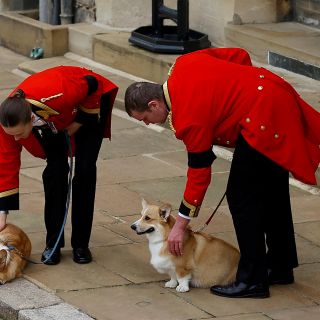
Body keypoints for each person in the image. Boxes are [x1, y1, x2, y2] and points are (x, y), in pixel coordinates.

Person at [124, 47, 320, 298]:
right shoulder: (183, 63)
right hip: (272, 91)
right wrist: (242, 89)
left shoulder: (188, 118)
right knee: (272, 191)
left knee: (241, 199)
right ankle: (281, 266)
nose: (149, 123)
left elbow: (199, 175)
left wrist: (180, 225)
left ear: (154, 103)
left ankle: (252, 279)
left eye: (145, 118)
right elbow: (238, 55)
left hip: (262, 118)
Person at [0, 66, 118, 265]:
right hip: (53, 120)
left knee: (85, 170)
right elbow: (6, 164)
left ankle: (81, 244)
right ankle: (53, 243)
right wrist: (2, 212)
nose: (17, 139)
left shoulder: (58, 93)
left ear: (29, 119)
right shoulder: (7, 123)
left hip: (90, 104)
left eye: (19, 134)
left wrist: (78, 123)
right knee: (56, 172)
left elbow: (92, 84)